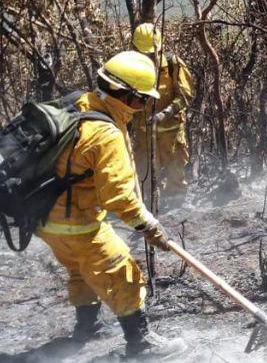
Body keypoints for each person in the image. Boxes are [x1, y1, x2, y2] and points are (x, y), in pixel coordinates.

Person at [35, 51, 185, 358]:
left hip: (44, 220)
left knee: (81, 269)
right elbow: (119, 197)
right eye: (141, 100)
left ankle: (86, 328)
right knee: (122, 274)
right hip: (77, 224)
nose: (142, 107)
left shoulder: (79, 104)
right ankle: (141, 344)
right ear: (126, 96)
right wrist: (151, 227)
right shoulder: (105, 134)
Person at [129, 23, 194, 206]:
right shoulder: (129, 69)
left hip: (171, 135)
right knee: (144, 179)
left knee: (176, 177)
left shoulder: (173, 65)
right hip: (144, 136)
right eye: (143, 53)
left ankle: (178, 211)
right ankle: (149, 210)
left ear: (159, 47)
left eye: (151, 53)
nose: (148, 57)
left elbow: (185, 96)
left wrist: (166, 113)